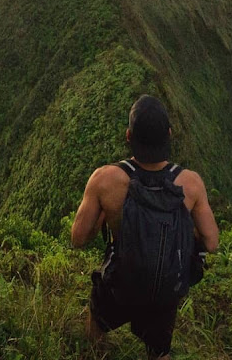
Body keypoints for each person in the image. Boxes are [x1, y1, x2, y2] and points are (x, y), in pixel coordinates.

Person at [71, 95, 219, 359]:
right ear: (169, 135)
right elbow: (211, 242)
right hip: (166, 290)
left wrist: (104, 220)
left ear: (129, 136)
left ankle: (95, 352)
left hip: (122, 282)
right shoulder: (191, 184)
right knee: (160, 351)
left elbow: (78, 238)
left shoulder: (105, 180)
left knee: (95, 325)